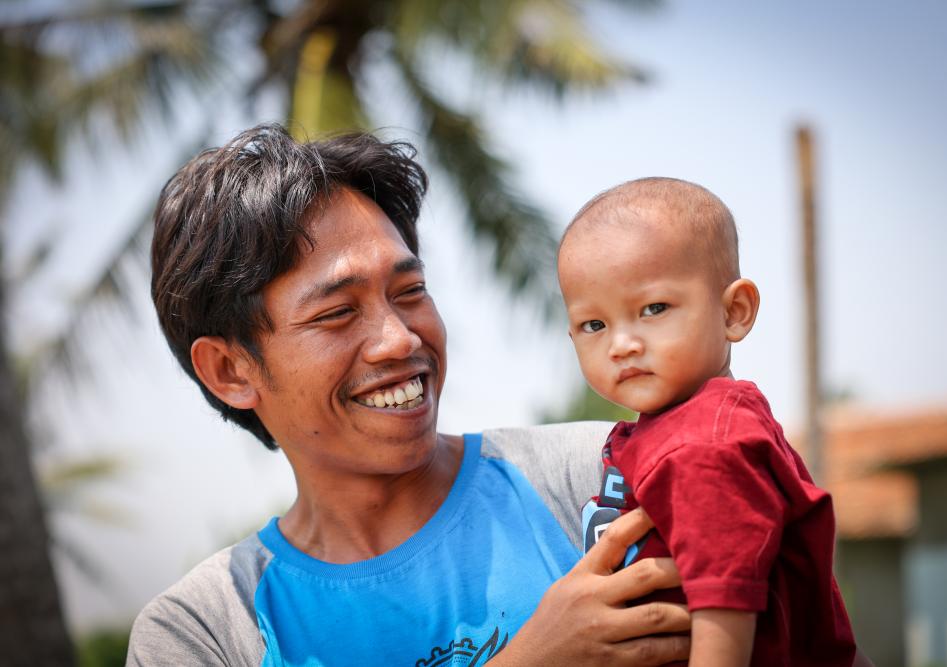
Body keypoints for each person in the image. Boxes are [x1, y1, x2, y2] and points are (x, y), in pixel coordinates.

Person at [125, 125, 693, 666]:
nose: (400, 338)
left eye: (410, 290)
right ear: (229, 371)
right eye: (337, 313)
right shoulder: (203, 630)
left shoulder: (606, 476)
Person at [557, 178, 857, 667]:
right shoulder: (693, 423)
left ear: (733, 312)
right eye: (595, 325)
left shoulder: (702, 445)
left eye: (654, 309)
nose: (622, 344)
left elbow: (725, 603)